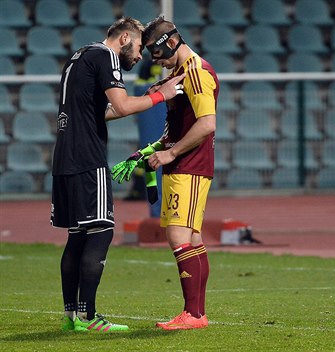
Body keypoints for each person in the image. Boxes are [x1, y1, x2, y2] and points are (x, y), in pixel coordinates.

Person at [51, 16, 185, 332]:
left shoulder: (81, 55)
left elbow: (103, 112)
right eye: (139, 47)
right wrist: (160, 96)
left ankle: (71, 317)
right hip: (87, 157)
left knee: (78, 235)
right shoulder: (105, 55)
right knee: (102, 230)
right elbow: (123, 106)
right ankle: (89, 317)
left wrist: (147, 96)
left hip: (65, 156)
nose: (140, 57)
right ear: (124, 38)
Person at [112, 16, 219, 330]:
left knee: (177, 237)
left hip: (190, 165)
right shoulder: (182, 73)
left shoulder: (197, 73)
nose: (159, 63)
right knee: (192, 238)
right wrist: (150, 150)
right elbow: (180, 128)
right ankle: (196, 314)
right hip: (183, 163)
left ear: (171, 42)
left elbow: (207, 124)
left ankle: (194, 315)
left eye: (159, 55)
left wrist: (171, 152)